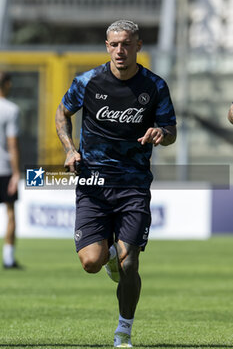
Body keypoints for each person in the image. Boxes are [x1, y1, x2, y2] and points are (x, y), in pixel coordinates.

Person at [55, 20, 177, 347]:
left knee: (131, 261)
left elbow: (171, 131)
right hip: (93, 183)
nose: (119, 50)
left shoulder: (154, 86)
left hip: (133, 185)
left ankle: (123, 331)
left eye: (126, 44)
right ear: (106, 46)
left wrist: (160, 134)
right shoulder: (88, 81)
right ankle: (108, 255)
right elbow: (61, 112)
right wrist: (70, 150)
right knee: (91, 262)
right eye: (113, 44)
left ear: (138, 46)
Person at [0, 72, 21, 269]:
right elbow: (12, 143)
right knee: (10, 213)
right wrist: (16, 173)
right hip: (4, 168)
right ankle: (8, 258)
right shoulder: (11, 109)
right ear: (7, 84)